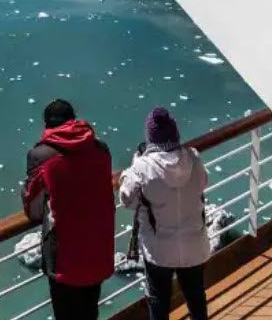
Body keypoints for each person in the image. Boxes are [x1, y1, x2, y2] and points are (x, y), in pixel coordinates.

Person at [22, 99, 115, 320]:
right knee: (90, 310)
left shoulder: (40, 156)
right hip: (96, 247)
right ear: (73, 120)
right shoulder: (100, 149)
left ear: (46, 124)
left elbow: (34, 209)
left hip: (64, 253)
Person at [119, 108, 210, 320]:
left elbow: (127, 199)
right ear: (175, 134)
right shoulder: (193, 158)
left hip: (159, 249)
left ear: (150, 137)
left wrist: (128, 171)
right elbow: (203, 182)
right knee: (196, 295)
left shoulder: (142, 167)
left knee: (159, 299)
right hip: (194, 244)